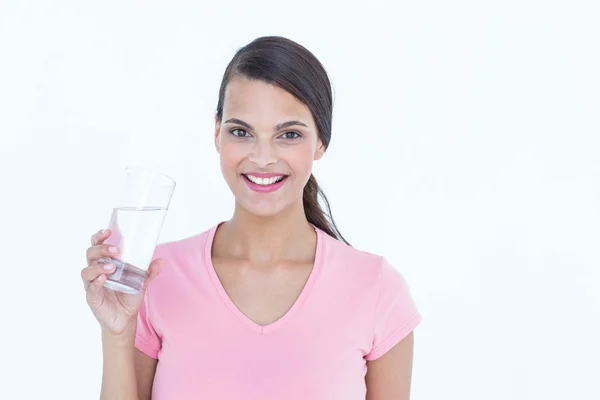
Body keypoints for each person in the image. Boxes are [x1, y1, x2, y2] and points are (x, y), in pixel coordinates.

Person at [82, 36, 422, 399]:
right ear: (217, 134)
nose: (262, 157)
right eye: (241, 132)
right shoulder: (155, 277)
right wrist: (117, 333)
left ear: (321, 141)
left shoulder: (376, 289)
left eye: (288, 134)